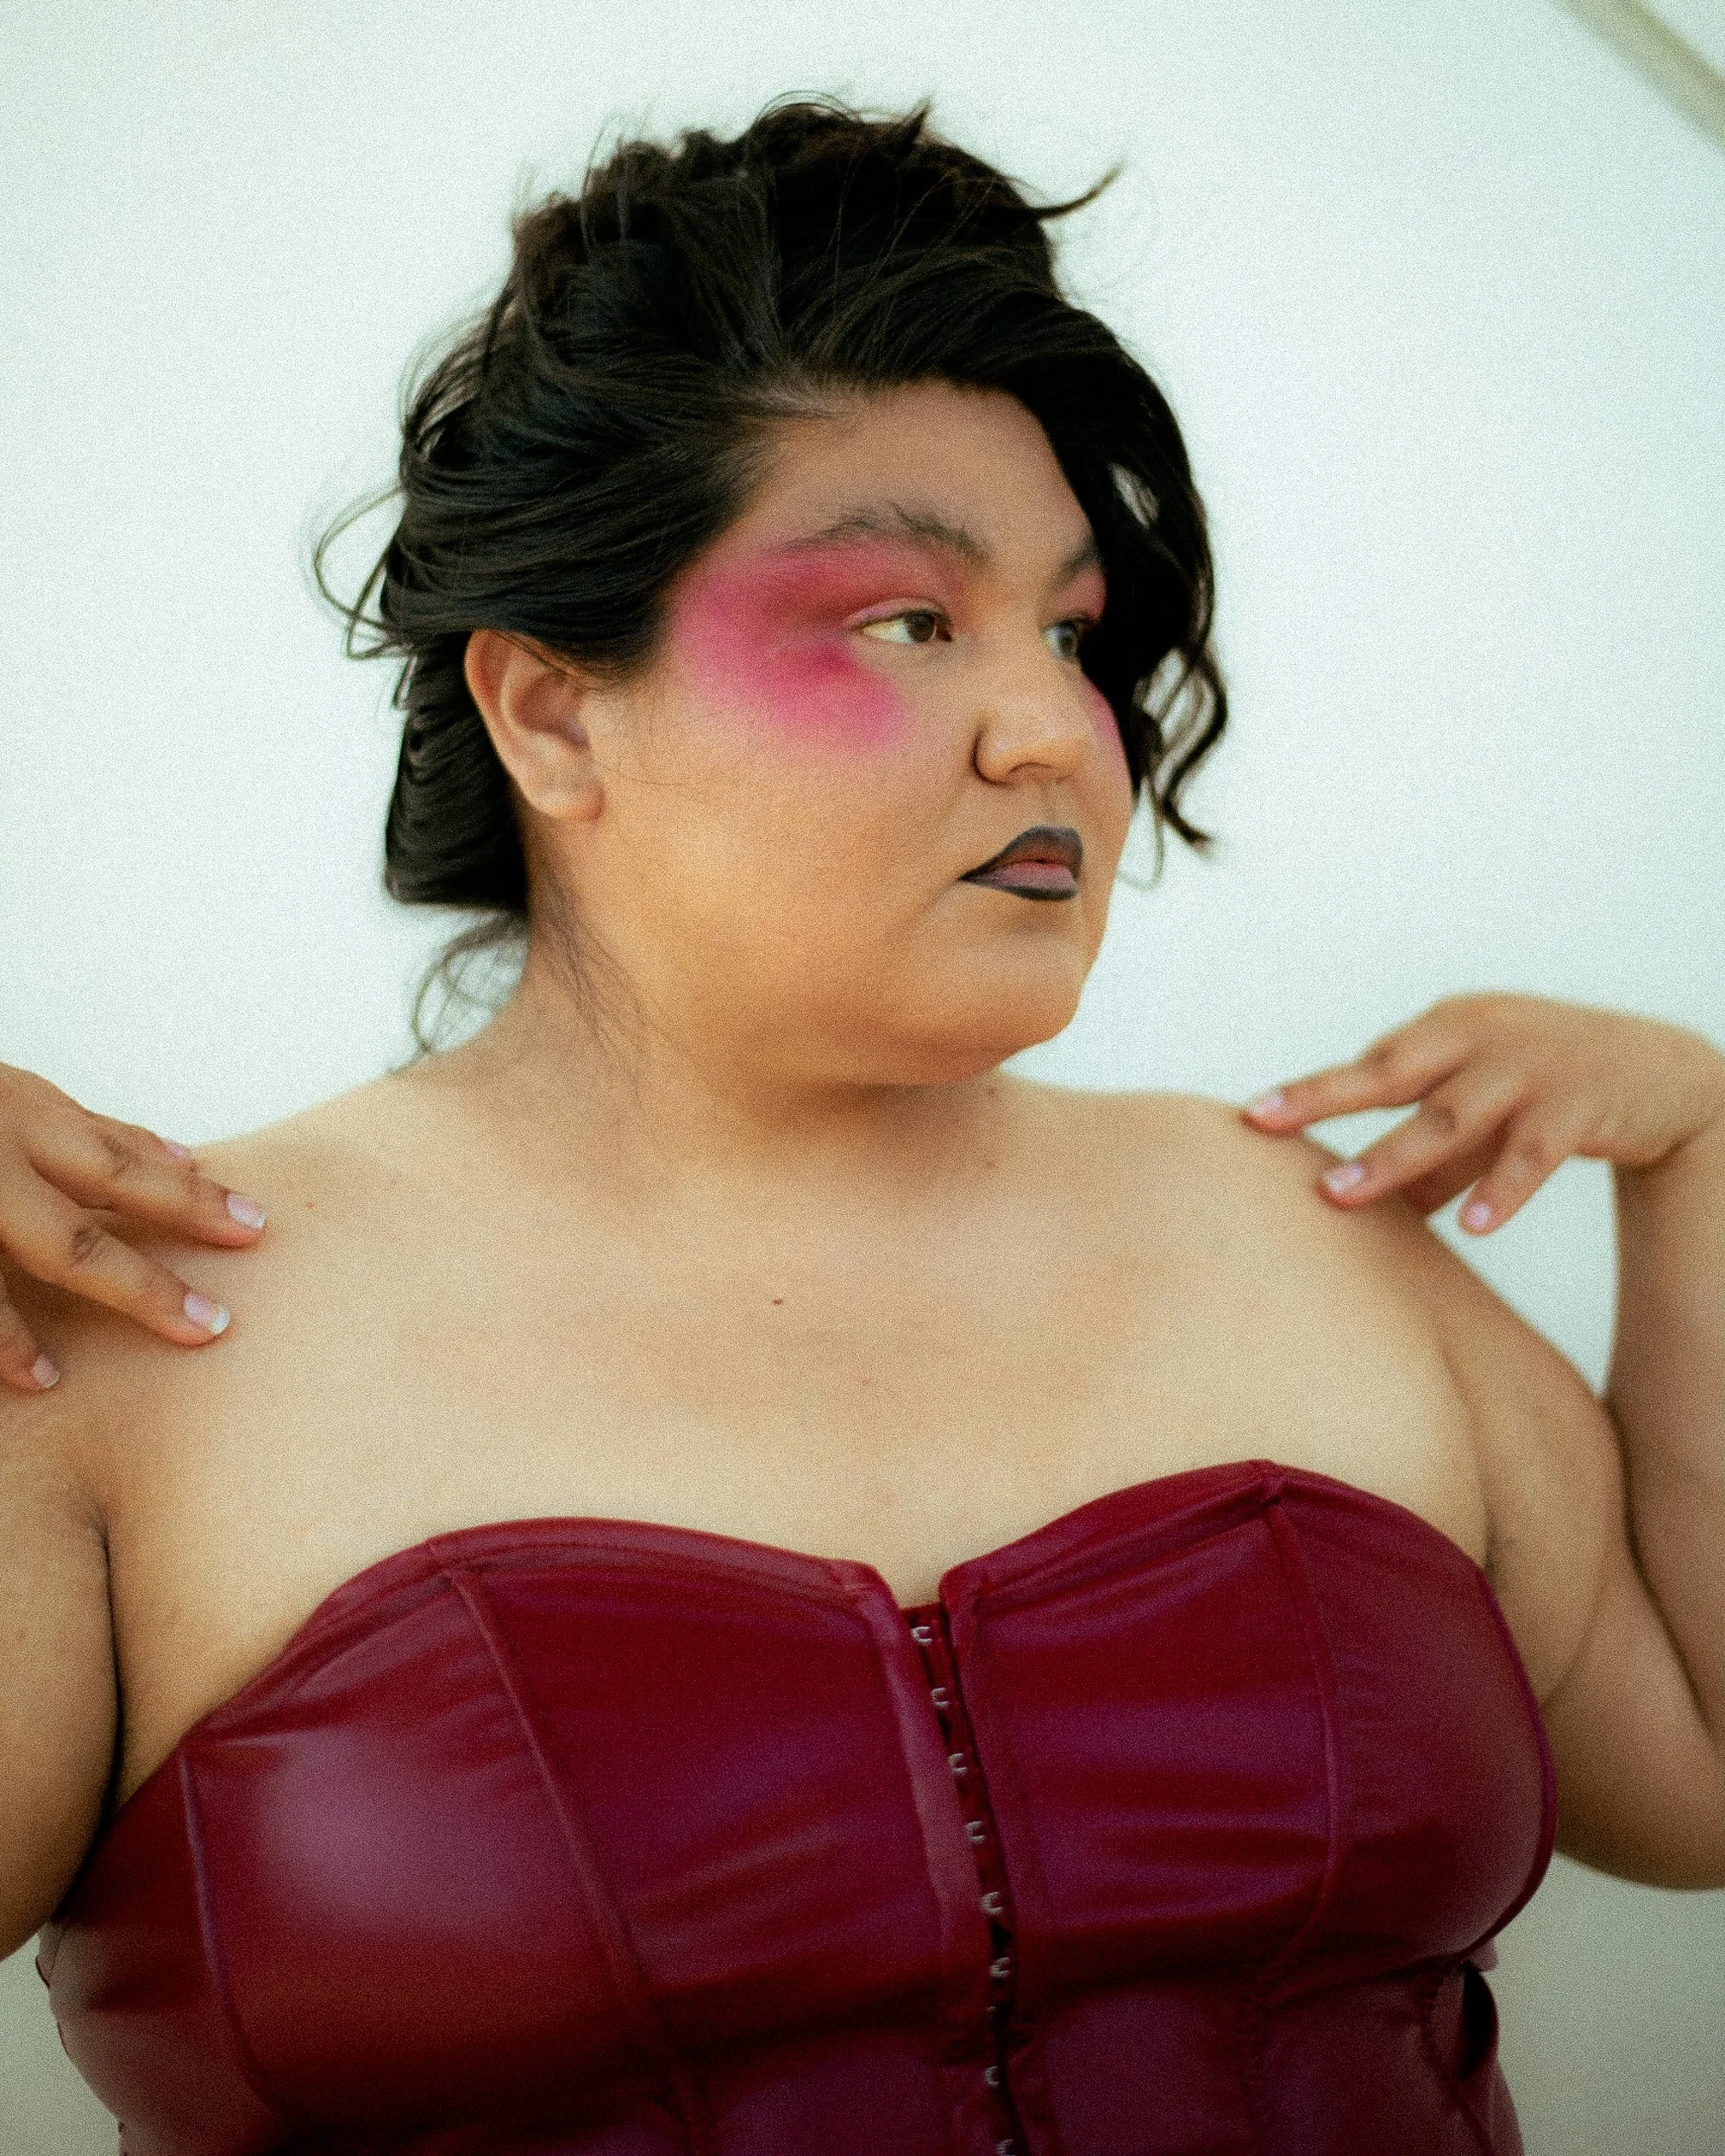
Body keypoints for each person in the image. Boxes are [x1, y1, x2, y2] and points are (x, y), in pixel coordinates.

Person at [1, 92, 1722, 2156]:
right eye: (908, 619)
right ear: (550, 709)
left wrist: (1706, 1156)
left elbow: (1692, 1777)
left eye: (1069, 634)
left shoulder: (1323, 1232)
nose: (1050, 731)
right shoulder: (127, 1323)